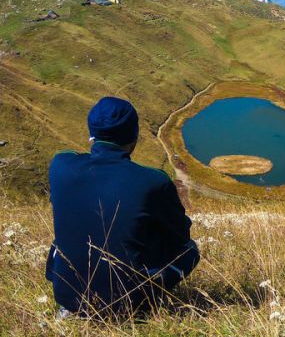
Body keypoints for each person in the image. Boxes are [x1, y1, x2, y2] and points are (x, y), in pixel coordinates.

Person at [46, 97, 200, 316]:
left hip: (68, 296)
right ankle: (145, 307)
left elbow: (73, 158)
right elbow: (180, 236)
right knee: (189, 250)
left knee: (65, 237)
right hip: (130, 304)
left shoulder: (60, 166)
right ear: (134, 136)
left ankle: (73, 308)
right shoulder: (152, 181)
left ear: (92, 135)